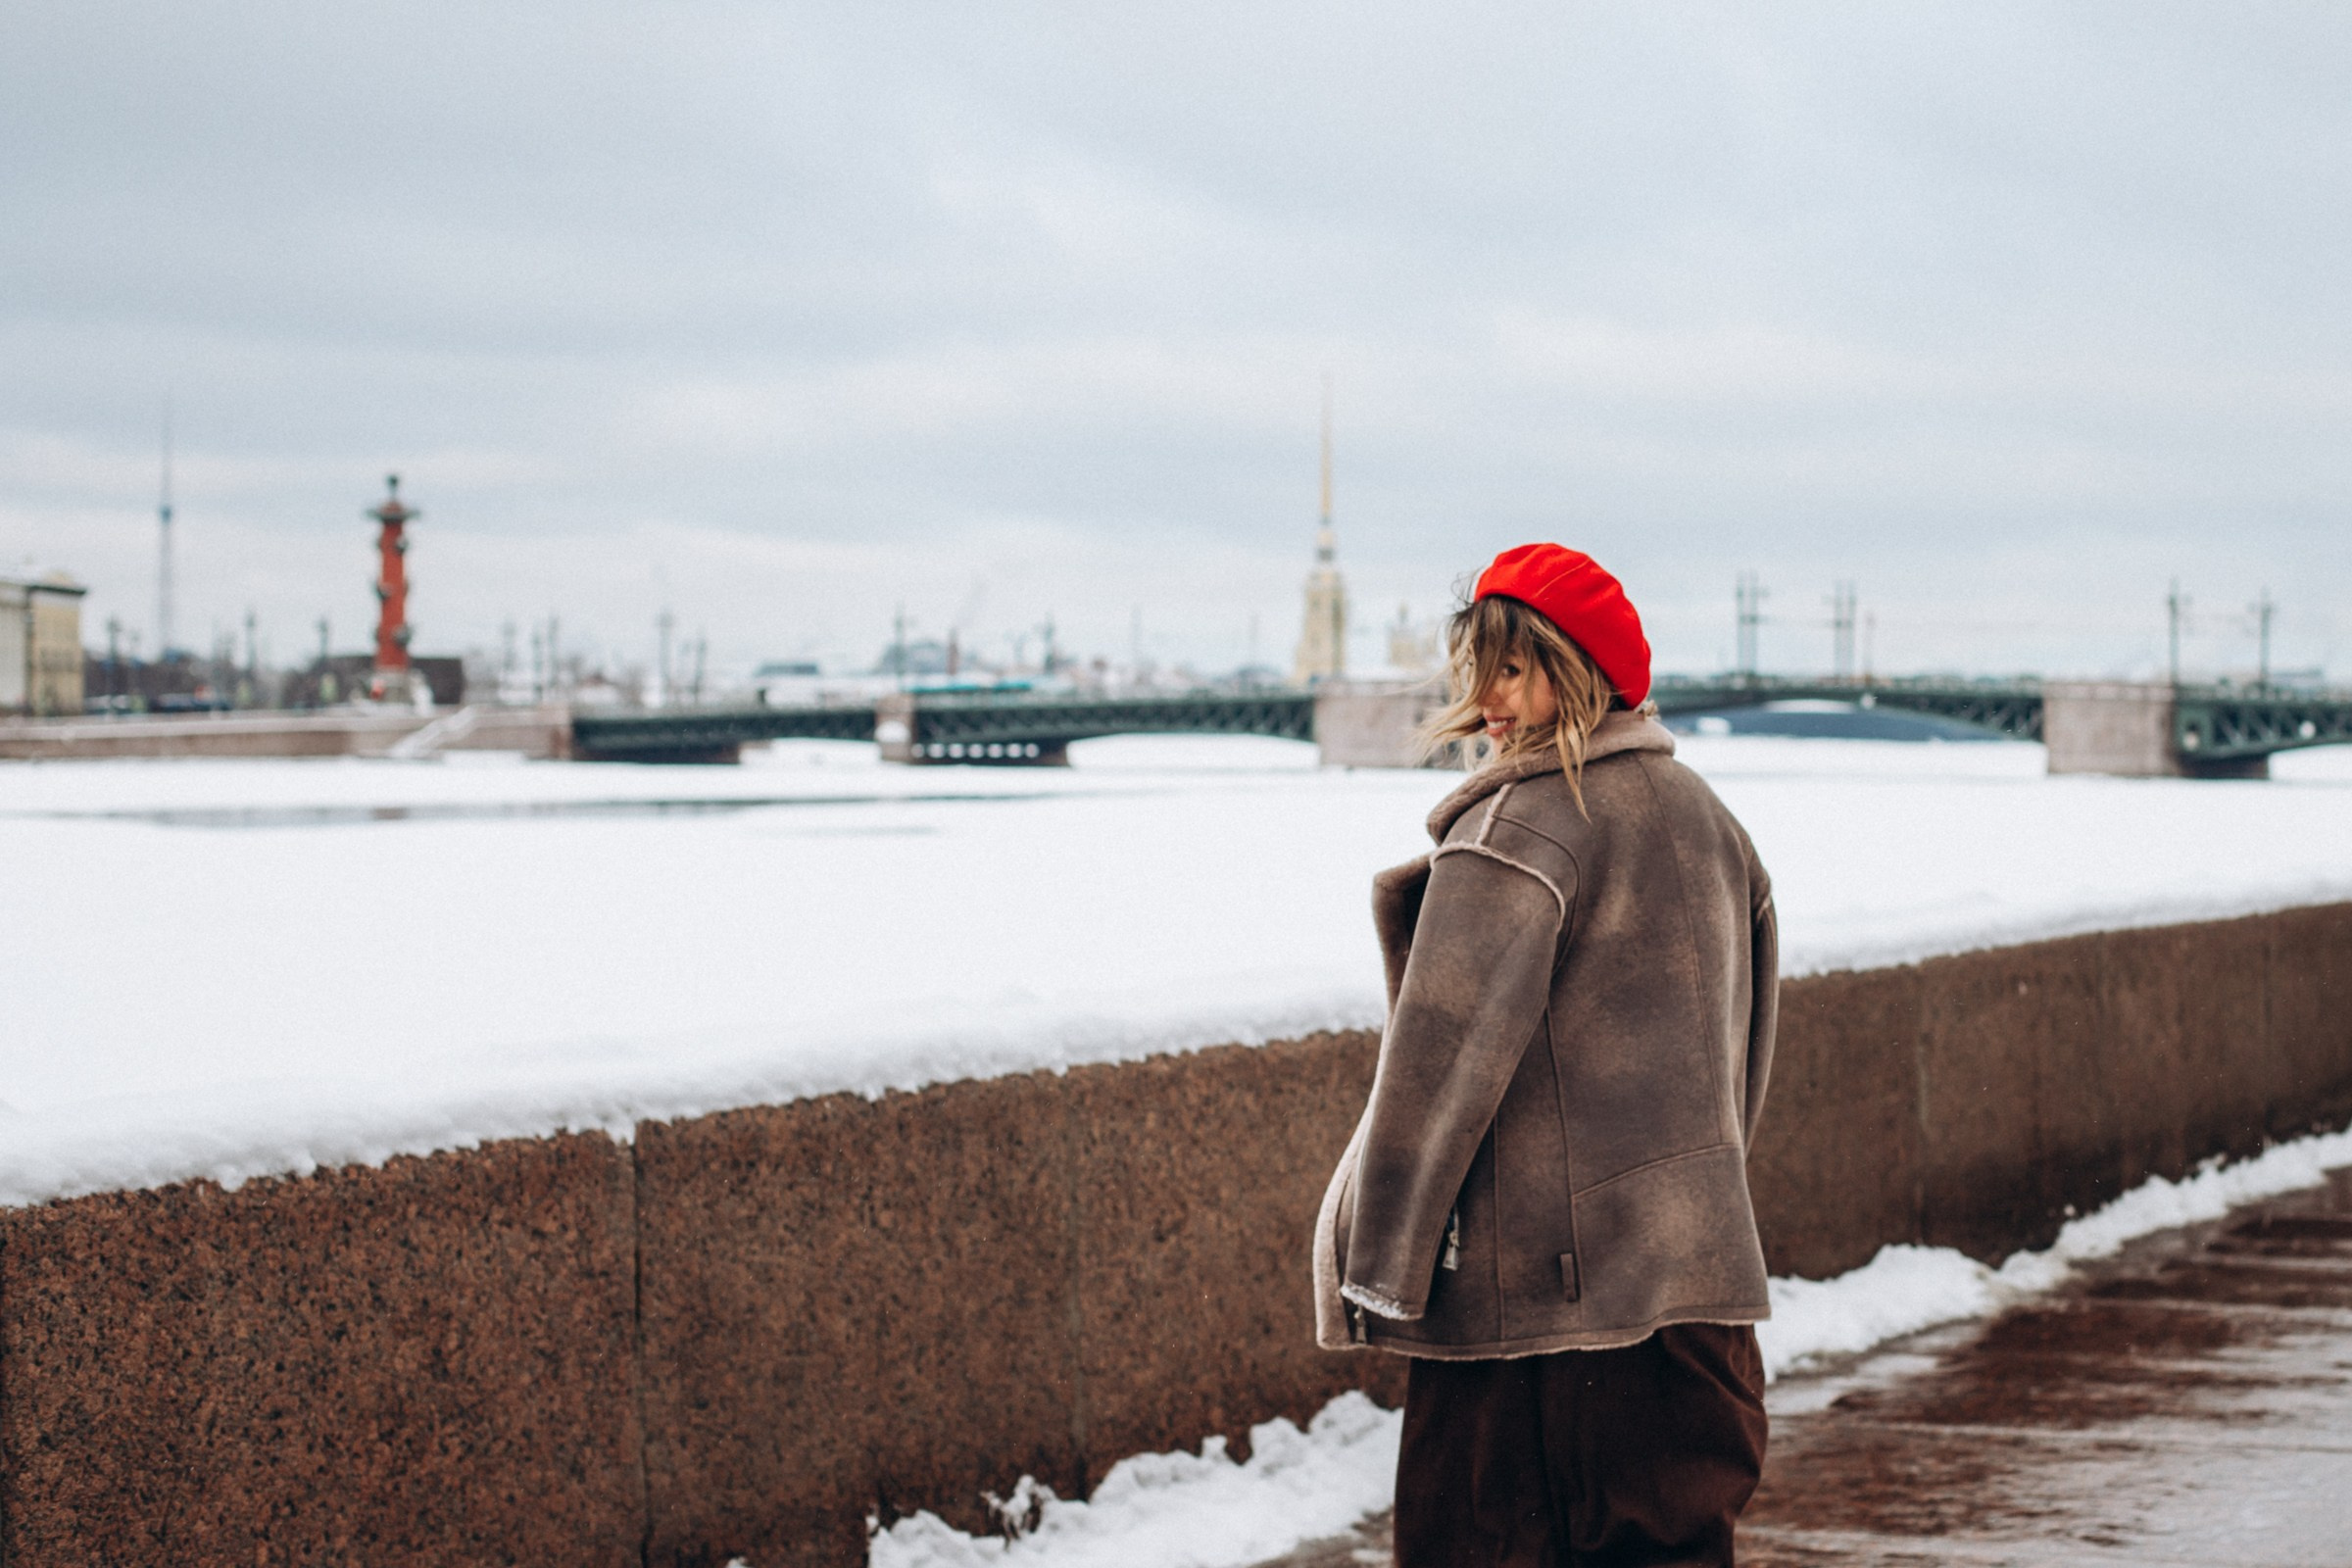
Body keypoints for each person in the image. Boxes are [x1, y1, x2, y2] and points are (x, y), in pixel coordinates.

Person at [1312, 543, 1779, 1567]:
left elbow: (1437, 1072)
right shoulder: (1710, 821)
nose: (1488, 702)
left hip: (1539, 1322)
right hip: (1694, 1303)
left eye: (1511, 670)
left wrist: (1377, 1268)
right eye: (1476, 673)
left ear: (1575, 669)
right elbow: (1743, 1055)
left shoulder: (1519, 828)